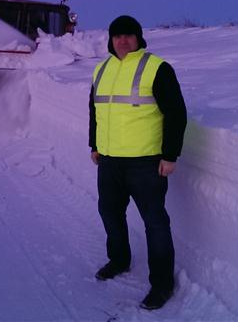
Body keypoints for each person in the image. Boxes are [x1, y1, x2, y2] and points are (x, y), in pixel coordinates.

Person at [89, 15, 187, 310]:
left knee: (155, 224)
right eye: (118, 35)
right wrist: (94, 144)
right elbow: (95, 111)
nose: (123, 40)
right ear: (111, 39)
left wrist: (170, 155)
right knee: (109, 212)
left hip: (145, 164)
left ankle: (162, 284)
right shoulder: (101, 68)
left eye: (129, 35)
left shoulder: (156, 68)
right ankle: (118, 260)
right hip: (109, 161)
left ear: (138, 38)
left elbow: (176, 113)